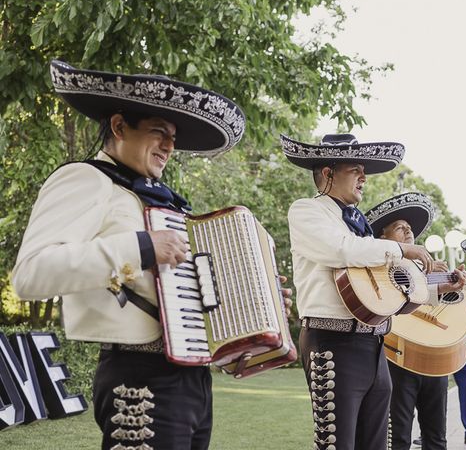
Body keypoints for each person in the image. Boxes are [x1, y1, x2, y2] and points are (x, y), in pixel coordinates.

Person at [12, 60, 291, 450]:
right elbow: (30, 274)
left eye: (173, 137)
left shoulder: (164, 203)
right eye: (159, 132)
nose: (170, 146)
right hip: (138, 372)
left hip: (192, 379)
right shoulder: (87, 178)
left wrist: (254, 305)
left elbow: (189, 297)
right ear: (119, 126)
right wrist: (142, 247)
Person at [282, 135, 449, 450]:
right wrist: (402, 248)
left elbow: (389, 290)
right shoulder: (307, 210)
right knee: (337, 444)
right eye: (355, 169)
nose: (364, 177)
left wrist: (439, 285)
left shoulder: (360, 229)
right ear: (328, 173)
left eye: (364, 170)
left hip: (373, 343)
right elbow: (341, 250)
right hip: (331, 340)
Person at [364, 192, 466, 450]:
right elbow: (395, 294)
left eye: (410, 229)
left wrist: (450, 285)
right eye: (400, 228)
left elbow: (437, 304)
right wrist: (433, 284)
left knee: (436, 436)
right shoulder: (376, 267)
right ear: (383, 238)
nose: (409, 232)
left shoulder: (426, 271)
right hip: (398, 358)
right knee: (398, 436)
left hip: (432, 357)